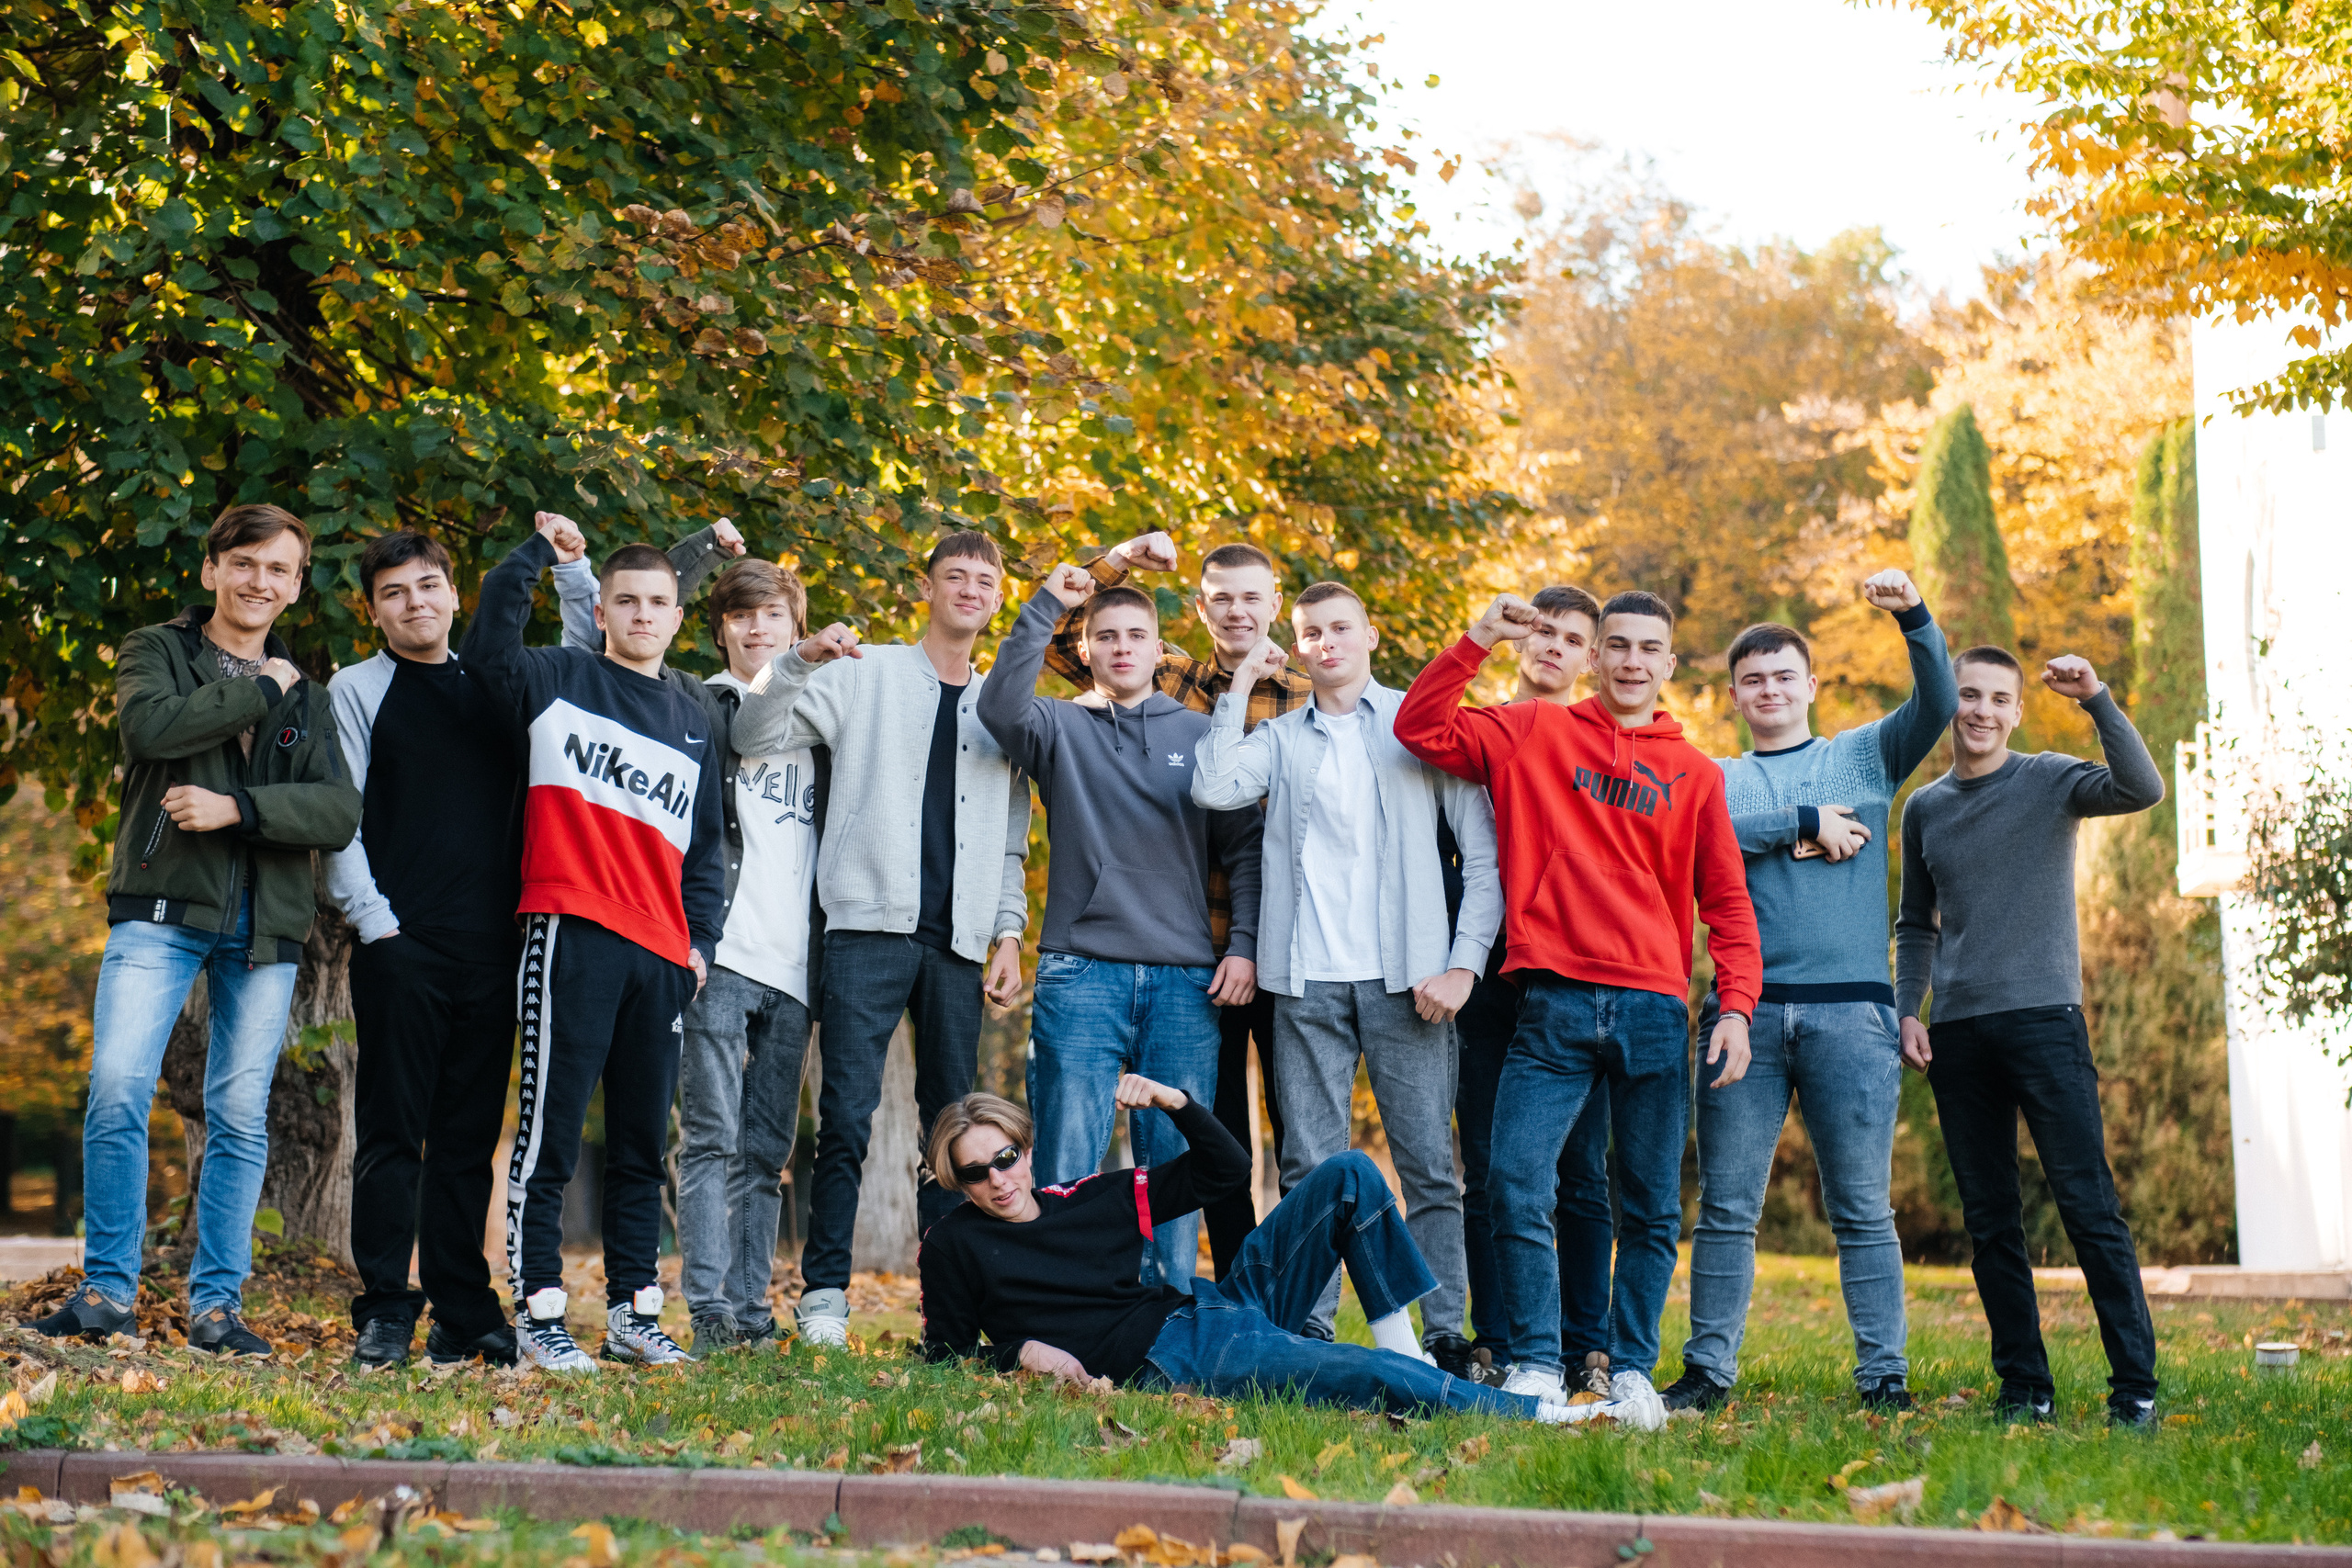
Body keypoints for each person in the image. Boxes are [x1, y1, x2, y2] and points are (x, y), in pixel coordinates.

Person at [1394, 590, 1761, 1424]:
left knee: (1650, 1201)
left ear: (1670, 664)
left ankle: (1630, 1366)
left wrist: (1735, 1005)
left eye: (1650, 649)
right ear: (1595, 659)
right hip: (1551, 1003)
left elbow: (1728, 904)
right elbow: (1419, 726)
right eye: (1618, 646)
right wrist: (1480, 635)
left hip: (1655, 1012)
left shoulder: (1696, 773)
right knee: (1516, 1180)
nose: (1632, 661)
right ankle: (1535, 1361)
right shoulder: (1533, 732)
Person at [35, 505, 361, 1353]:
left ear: (295, 586)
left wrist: (237, 808)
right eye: (244, 563)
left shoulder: (311, 696)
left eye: (279, 569)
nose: (260, 581)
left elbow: (337, 810)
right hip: (162, 907)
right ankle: (107, 1293)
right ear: (213, 569)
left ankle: (217, 1309)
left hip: (266, 925)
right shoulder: (158, 651)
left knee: (239, 1115)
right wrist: (258, 687)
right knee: (116, 1089)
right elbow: (152, 728)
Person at [915, 1079, 1654, 1427]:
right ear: (957, 1180)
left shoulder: (1092, 1197)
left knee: (1348, 1174)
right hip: (1177, 1356)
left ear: (1023, 1146)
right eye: (974, 1171)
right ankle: (1549, 1417)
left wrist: (1177, 1104)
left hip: (1215, 1306)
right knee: (1355, 1373)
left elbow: (1223, 1172)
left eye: (1004, 1157)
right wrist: (1016, 1352)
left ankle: (1414, 1359)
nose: (996, 1180)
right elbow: (945, 1355)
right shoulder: (955, 1241)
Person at [1661, 570, 1956, 1415]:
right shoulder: (1716, 778)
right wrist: (1802, 825)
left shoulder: (1862, 755)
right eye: (1753, 679)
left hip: (1852, 1016)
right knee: (1725, 1206)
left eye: (1784, 675)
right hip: (1741, 1016)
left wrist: (1913, 617)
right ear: (1734, 695)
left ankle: (1884, 1376)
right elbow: (1690, 841)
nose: (1769, 689)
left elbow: (1935, 700)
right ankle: (1709, 1370)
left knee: (1863, 1207)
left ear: (1811, 686)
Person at [728, 532, 1031, 1348]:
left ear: (998, 597)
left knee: (952, 1130)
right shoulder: (866, 674)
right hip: (866, 929)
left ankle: (948, 1307)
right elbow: (753, 734)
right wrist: (796, 660)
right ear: (926, 587)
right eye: (954, 576)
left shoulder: (1004, 702)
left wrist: (1009, 930)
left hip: (960, 943)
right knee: (847, 1120)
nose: (969, 589)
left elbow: (1009, 838)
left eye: (984, 580)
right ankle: (825, 1291)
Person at [1191, 582, 1497, 1370]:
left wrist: (1464, 964)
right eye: (1311, 631)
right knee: (1308, 1168)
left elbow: (1483, 853)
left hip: (1410, 983)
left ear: (1370, 632)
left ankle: (1445, 1335)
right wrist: (1239, 687)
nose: (1326, 641)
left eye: (1340, 628)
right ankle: (1310, 1327)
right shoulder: (1284, 736)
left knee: (1429, 1164)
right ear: (1297, 645)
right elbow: (1213, 785)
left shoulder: (1417, 723)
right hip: (1306, 983)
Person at [554, 525, 826, 1353]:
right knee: (708, 1135)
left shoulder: (823, 715)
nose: (756, 630)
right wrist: (686, 549)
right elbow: (603, 626)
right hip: (718, 953)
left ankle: (752, 1311)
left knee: (767, 1148)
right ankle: (706, 1311)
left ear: (793, 622)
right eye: (740, 616)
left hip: (796, 963)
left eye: (771, 615)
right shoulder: (697, 700)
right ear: (715, 629)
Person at [464, 518, 727, 1371]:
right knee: (550, 1136)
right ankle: (540, 1313)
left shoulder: (694, 716)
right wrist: (542, 556)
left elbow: (707, 847)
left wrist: (700, 947)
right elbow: (488, 641)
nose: (644, 614)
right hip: (569, 929)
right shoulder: (557, 675)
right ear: (603, 609)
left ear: (679, 616)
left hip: (660, 954)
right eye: (627, 601)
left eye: (658, 602)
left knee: (645, 1146)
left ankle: (633, 1313)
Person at [1895, 647, 2165, 1427]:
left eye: (1997, 699)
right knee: (1990, 1221)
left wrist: (2098, 699)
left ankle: (2134, 1387)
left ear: (2016, 711)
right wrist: (1909, 1006)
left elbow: (2142, 788)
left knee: (2088, 1204)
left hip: (2046, 1022)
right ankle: (2025, 1386)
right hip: (1959, 1035)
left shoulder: (2050, 780)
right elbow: (1916, 922)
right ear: (1952, 706)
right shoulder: (1925, 809)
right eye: (1968, 695)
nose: (1979, 710)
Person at [976, 567, 1263, 1289]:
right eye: (1106, 636)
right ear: (1088, 647)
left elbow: (1246, 850)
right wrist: (1049, 602)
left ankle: (1164, 1306)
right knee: (1071, 1153)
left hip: (1185, 979)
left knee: (1171, 1161)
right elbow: (998, 705)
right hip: (1082, 971)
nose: (1123, 647)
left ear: (1160, 647)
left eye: (1137, 635)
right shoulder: (1058, 725)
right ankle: (1065, 1298)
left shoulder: (1204, 734)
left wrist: (1246, 946)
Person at [1045, 534, 1311, 1278]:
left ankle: (1287, 1296)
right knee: (1212, 1129)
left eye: (1251, 596)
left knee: (1297, 1132)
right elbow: (1068, 631)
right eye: (1220, 597)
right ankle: (1225, 1285)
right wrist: (1122, 560)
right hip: (1195, 954)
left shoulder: (1309, 688)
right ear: (1199, 606)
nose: (1235, 611)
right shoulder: (1172, 677)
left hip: (1286, 943)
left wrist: (1254, 942)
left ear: (1275, 605)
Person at [326, 530, 530, 1371]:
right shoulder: (357, 688)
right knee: (390, 1136)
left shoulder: (502, 682)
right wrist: (378, 925)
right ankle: (383, 1308)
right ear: (372, 609)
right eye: (395, 592)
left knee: (466, 1141)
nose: (416, 602)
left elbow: (598, 650)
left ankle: (462, 1309)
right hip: (401, 947)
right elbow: (338, 817)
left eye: (430, 586)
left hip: (496, 950)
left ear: (455, 595)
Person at [1444, 584, 1620, 1394]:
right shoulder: (1479, 726)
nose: (1554, 647)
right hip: (1484, 972)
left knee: (1580, 1167)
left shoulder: (1607, 741)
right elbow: (1420, 725)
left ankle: (1588, 1339)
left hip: (1577, 976)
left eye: (1572, 638)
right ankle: (1501, 1336)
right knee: (1486, 1163)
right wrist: (1477, 637)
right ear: (1522, 640)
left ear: (1591, 655)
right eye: (1542, 632)